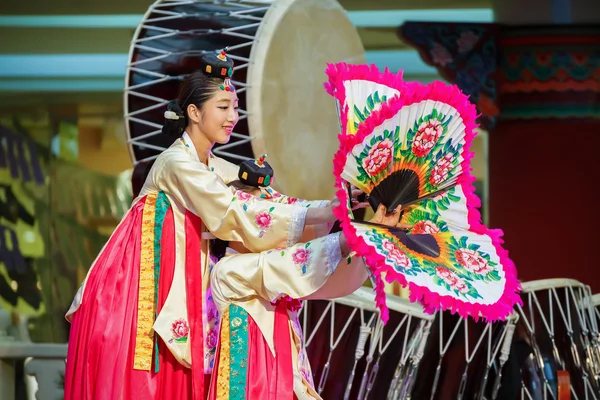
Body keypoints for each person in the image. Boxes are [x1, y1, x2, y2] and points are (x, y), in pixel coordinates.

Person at [63, 48, 349, 400]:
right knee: (145, 381)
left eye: (235, 107)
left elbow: (264, 204)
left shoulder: (218, 168)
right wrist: (326, 212)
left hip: (183, 281)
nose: (233, 116)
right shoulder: (175, 163)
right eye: (224, 107)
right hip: (141, 287)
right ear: (195, 113)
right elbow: (230, 209)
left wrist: (334, 208)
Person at [206, 159, 400, 399]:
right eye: (265, 216)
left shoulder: (276, 275)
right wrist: (356, 234)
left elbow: (327, 273)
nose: (273, 225)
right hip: (249, 387)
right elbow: (290, 263)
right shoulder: (227, 272)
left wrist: (366, 228)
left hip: (286, 379)